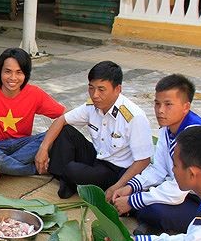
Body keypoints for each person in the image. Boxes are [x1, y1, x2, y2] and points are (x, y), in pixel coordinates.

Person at [111, 74, 201, 234]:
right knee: (131, 184)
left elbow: (177, 191)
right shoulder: (168, 128)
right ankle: (151, 224)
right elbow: (159, 170)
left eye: (168, 104)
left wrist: (133, 201)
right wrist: (130, 187)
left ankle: (154, 225)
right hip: (183, 190)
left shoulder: (193, 137)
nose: (160, 111)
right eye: (157, 104)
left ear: (186, 107)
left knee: (154, 210)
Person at [36, 61, 153, 199]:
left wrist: (117, 186)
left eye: (101, 89)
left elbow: (143, 160)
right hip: (97, 157)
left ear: (117, 89)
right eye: (91, 88)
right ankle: (68, 179)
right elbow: (61, 120)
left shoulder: (133, 116)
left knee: (72, 169)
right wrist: (43, 149)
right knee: (65, 132)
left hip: (115, 171)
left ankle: (67, 178)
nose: (95, 95)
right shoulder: (92, 106)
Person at [0, 47, 65, 175]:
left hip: (24, 144)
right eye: (8, 72)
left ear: (26, 74)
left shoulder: (34, 93)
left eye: (19, 72)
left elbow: (65, 116)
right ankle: (34, 169)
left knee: (60, 133)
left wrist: (43, 148)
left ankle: (4, 168)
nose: (13, 78)